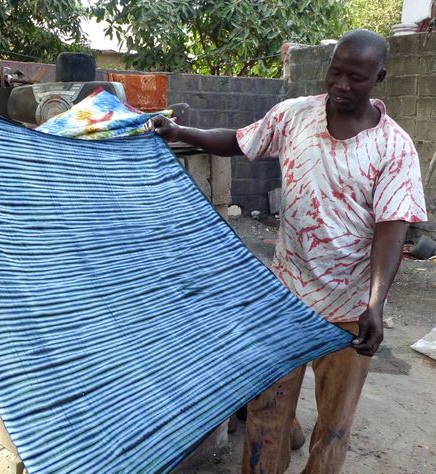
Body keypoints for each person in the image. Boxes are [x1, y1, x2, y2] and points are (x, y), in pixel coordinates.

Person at [149, 29, 427, 473]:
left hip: (349, 309)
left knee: (334, 426)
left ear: (380, 77)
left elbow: (391, 231)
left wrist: (374, 305)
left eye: (355, 77)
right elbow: (239, 141)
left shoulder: (394, 148)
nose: (340, 84)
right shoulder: (294, 116)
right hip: (285, 298)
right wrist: (180, 132)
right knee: (265, 415)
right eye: (335, 71)